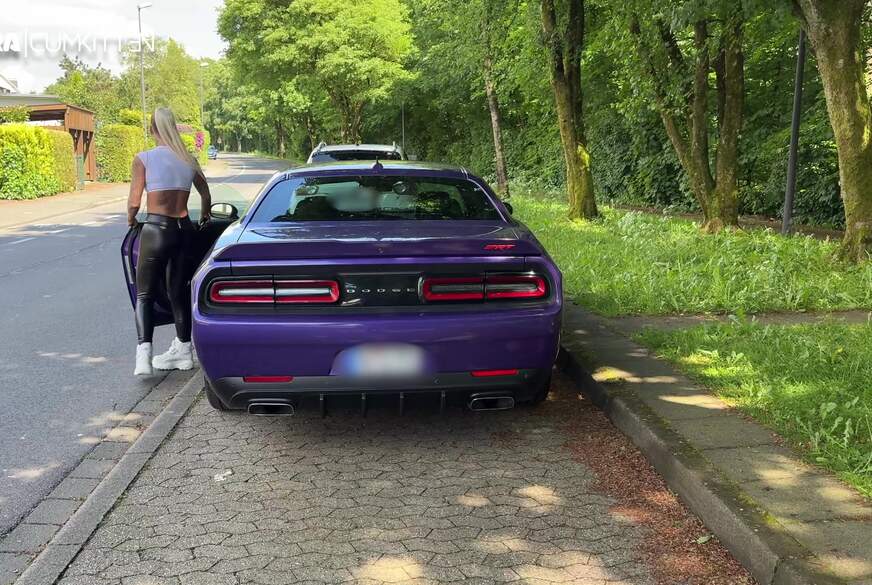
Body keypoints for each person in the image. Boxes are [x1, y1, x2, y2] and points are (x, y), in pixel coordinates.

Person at [127, 107, 211, 376]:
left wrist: (131, 218)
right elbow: (205, 193)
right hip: (183, 230)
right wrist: (205, 216)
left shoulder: (144, 158)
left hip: (156, 229)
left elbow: (134, 202)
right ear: (173, 128)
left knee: (144, 294)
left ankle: (143, 357)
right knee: (178, 292)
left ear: (153, 129)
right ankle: (184, 353)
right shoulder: (189, 159)